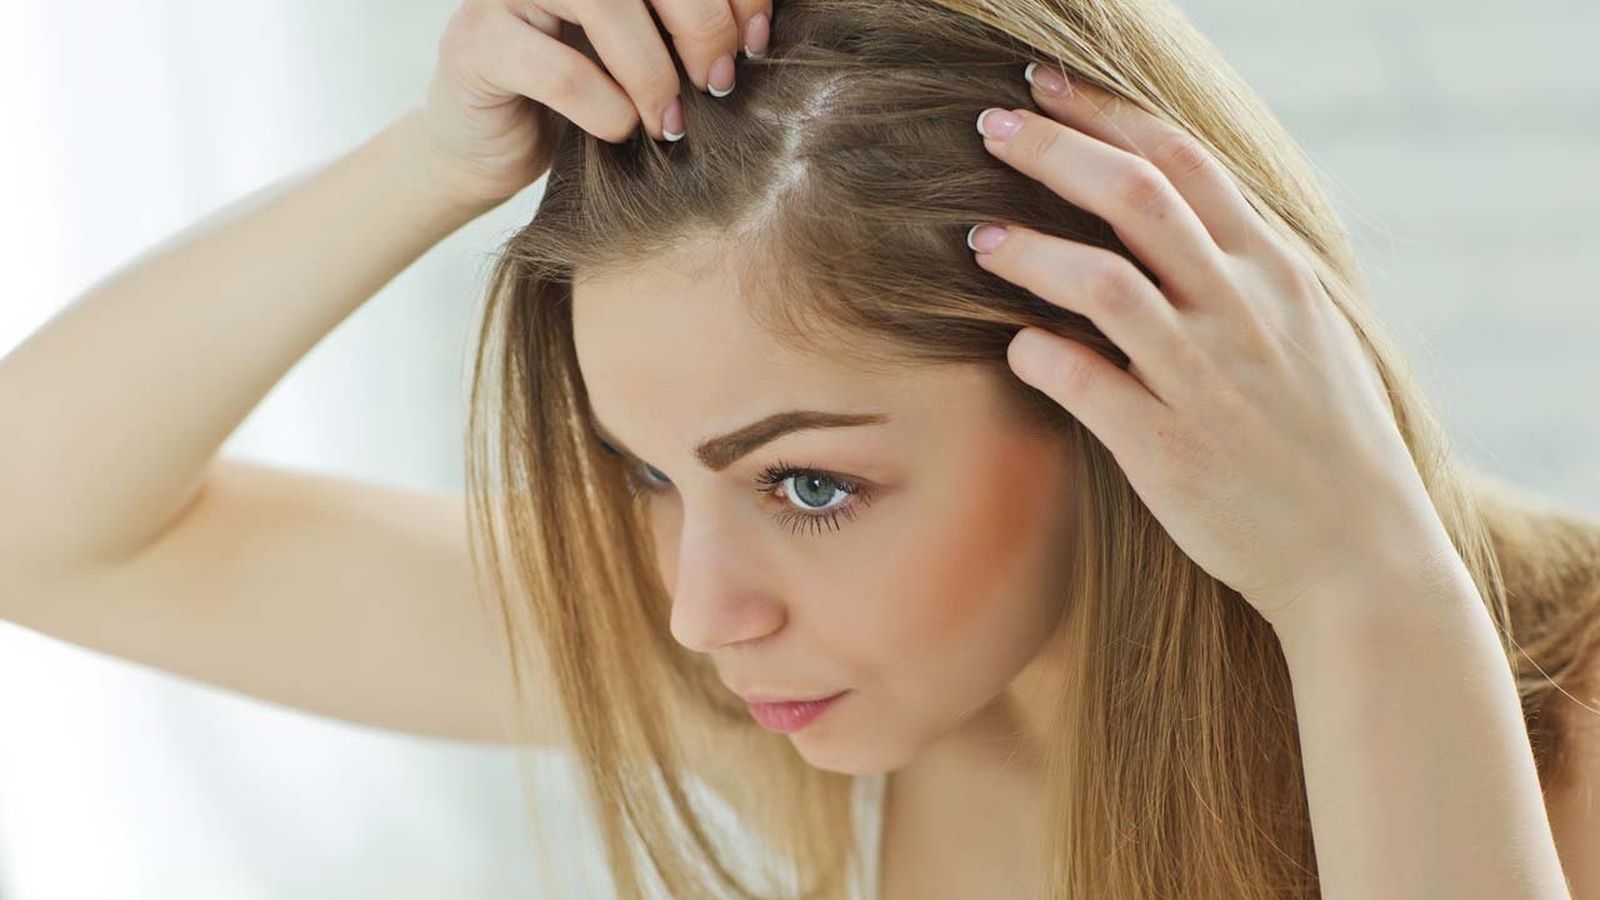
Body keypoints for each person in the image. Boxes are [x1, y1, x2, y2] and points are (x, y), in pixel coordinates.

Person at [1, 0, 1596, 896]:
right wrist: (428, 163)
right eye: (648, 471)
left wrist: (1365, 587)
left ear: (1132, 392)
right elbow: (38, 529)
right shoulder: (800, 699)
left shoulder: (1565, 697)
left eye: (809, 485)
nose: (703, 610)